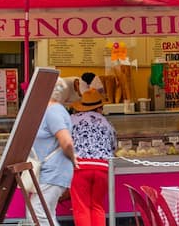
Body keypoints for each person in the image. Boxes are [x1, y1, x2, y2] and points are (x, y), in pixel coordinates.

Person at [26, 78, 77, 225]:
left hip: (53, 171)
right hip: (49, 171)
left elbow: (66, 142)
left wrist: (73, 158)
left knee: (37, 212)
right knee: (45, 213)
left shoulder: (53, 111)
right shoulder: (51, 110)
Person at [68, 84, 116, 226]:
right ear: (99, 108)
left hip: (80, 166)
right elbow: (113, 146)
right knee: (97, 206)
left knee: (81, 207)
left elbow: (64, 141)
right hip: (102, 167)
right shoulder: (107, 123)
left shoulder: (72, 120)